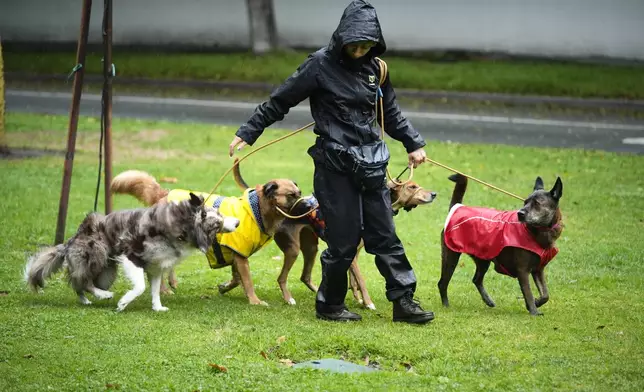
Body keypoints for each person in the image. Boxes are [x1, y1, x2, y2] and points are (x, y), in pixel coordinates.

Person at [228, 0, 434, 324]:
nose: (359, 50)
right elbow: (280, 100)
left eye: (367, 45)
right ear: (342, 37)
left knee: (385, 235)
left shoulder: (377, 69)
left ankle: (404, 301)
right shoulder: (319, 65)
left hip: (372, 165)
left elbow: (390, 111)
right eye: (355, 44)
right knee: (343, 239)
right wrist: (248, 131)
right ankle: (330, 305)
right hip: (334, 167)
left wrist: (413, 142)